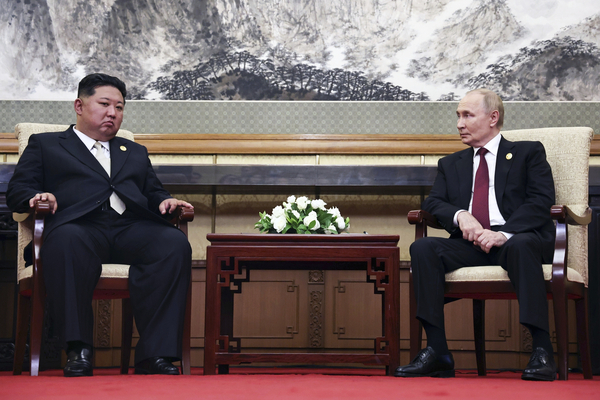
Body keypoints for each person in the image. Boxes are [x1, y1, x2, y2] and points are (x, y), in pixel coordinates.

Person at [7, 73, 193, 377]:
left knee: (173, 243)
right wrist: (37, 197)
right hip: (78, 226)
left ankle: (155, 355)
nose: (113, 113)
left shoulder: (134, 151)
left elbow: (153, 191)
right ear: (79, 106)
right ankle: (78, 350)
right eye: (105, 104)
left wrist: (166, 201)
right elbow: (17, 191)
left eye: (119, 107)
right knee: (66, 239)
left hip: (129, 227)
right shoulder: (46, 145)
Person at [394, 88, 557, 381]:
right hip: (471, 245)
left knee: (521, 245)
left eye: (467, 115)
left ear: (493, 118)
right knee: (423, 248)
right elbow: (433, 203)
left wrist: (504, 233)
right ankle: (438, 352)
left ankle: (542, 350)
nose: (459, 123)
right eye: (458, 116)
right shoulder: (451, 164)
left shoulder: (528, 152)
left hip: (515, 241)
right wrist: (461, 215)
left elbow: (541, 201)